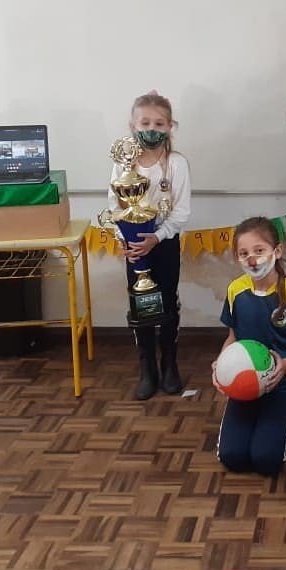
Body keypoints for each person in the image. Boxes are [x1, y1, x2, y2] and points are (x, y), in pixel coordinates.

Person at [212, 217, 286, 476]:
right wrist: (221, 366)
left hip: (282, 385)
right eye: (244, 253)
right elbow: (232, 337)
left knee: (266, 461)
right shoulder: (235, 290)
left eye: (259, 250)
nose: (252, 259)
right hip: (244, 384)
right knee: (233, 457)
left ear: (277, 251)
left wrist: (285, 365)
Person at [108, 91, 191, 401]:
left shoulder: (177, 164)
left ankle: (169, 364)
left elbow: (181, 211)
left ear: (170, 126)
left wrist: (158, 236)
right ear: (133, 126)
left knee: (167, 301)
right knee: (140, 303)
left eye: (159, 123)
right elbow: (114, 205)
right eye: (145, 123)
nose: (151, 129)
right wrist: (124, 239)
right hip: (134, 246)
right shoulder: (123, 165)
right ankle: (147, 368)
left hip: (164, 243)